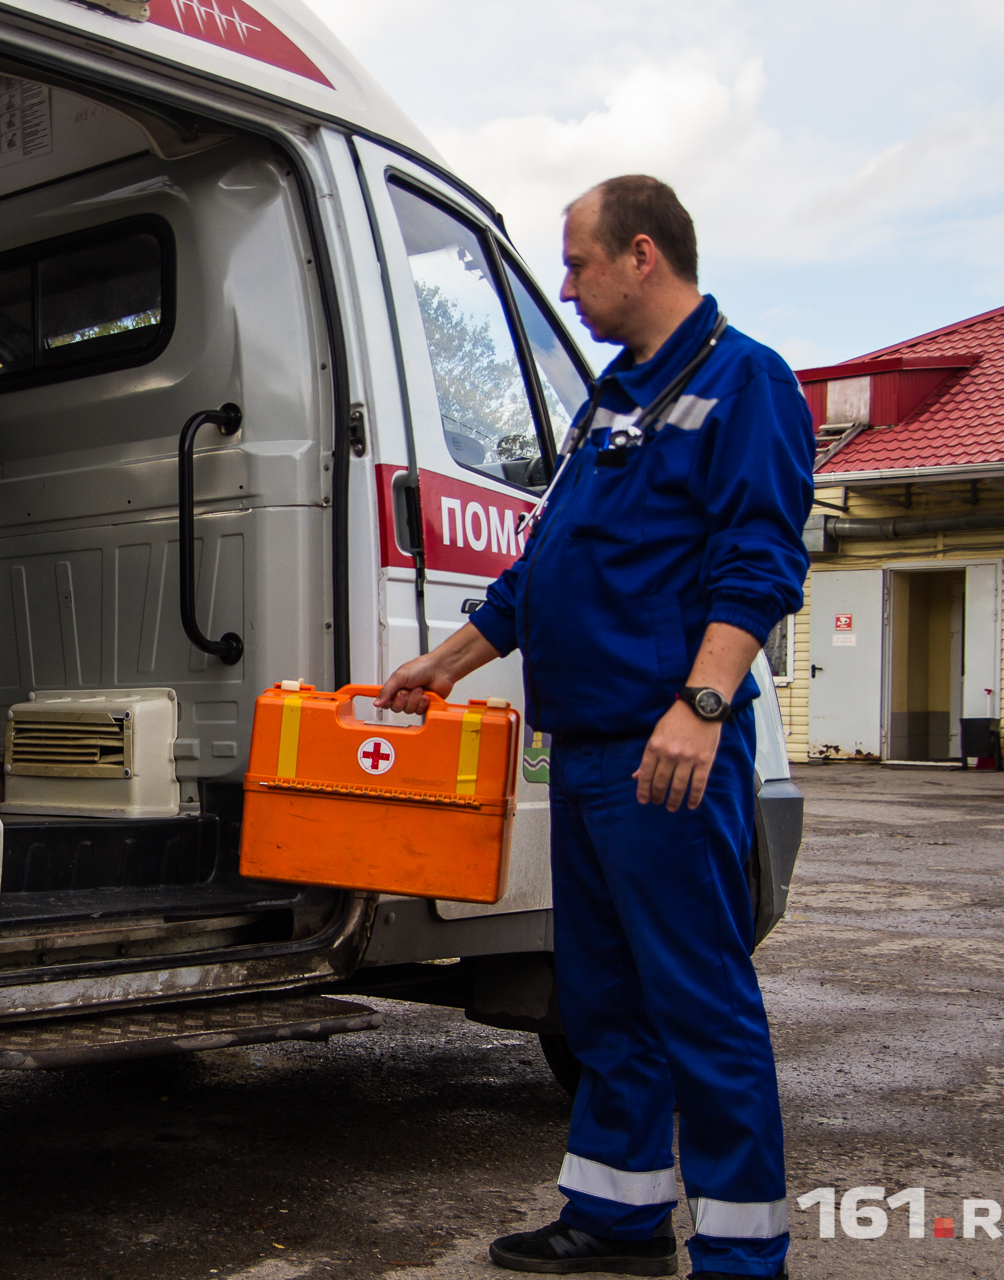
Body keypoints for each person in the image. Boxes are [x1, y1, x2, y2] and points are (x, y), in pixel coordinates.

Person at [377, 175, 813, 1279]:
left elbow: (759, 562)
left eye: (575, 263)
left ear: (643, 255)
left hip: (666, 751)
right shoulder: (614, 396)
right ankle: (618, 1219)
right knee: (604, 999)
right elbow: (547, 571)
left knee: (698, 1000)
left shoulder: (743, 380)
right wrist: (444, 662)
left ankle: (741, 1252)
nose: (564, 287)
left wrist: (703, 705)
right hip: (588, 751)